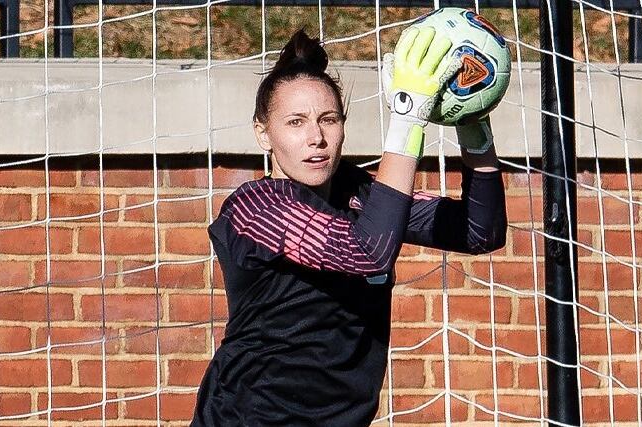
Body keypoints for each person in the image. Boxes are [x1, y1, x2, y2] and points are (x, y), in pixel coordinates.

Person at [191, 27, 507, 426]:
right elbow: (367, 253)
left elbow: (481, 232)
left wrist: (472, 122)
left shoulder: (358, 193)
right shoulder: (256, 207)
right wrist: (408, 119)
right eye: (295, 122)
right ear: (263, 134)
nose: (316, 137)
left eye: (329, 119)